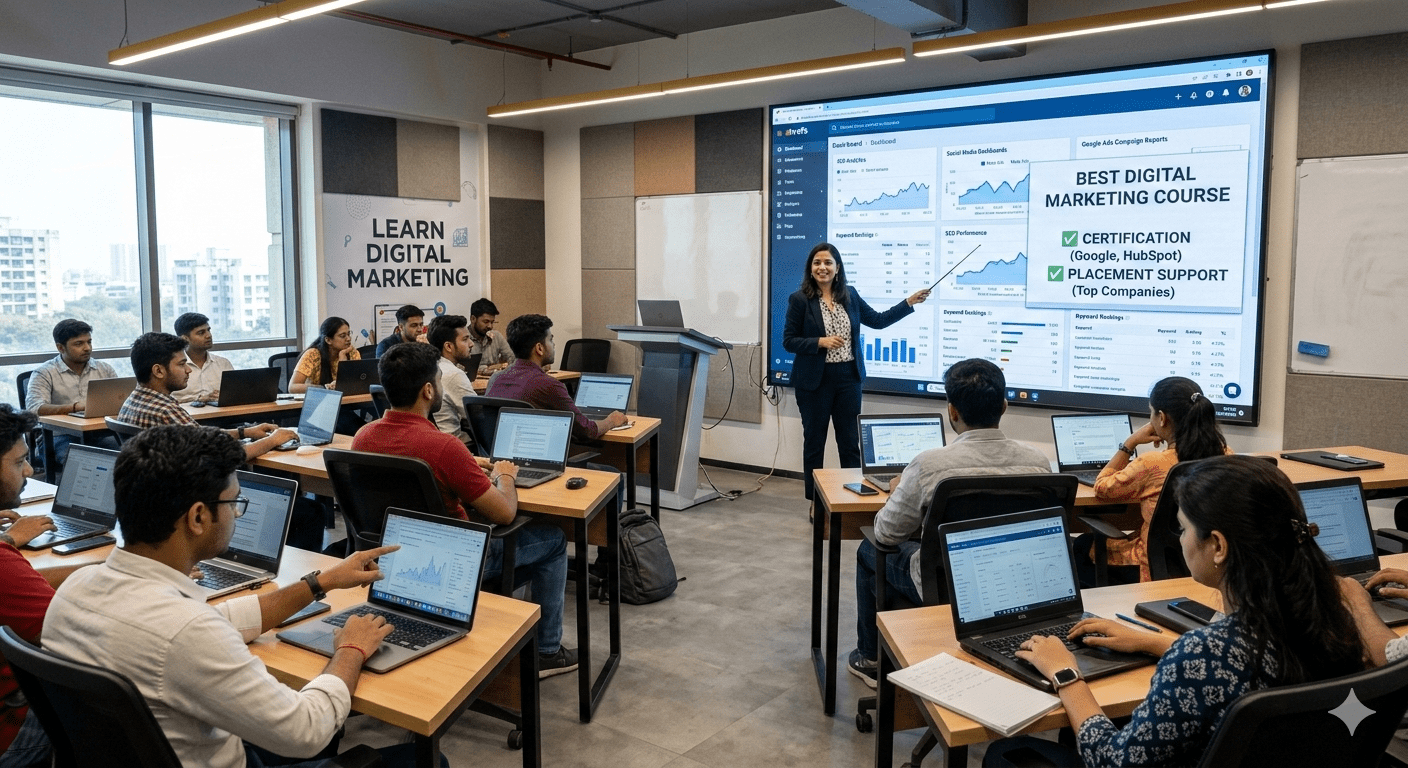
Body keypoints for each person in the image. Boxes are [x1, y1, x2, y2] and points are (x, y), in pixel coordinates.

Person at [41, 425, 437, 768]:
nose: (237, 514)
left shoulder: (75, 589)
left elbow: (220, 620)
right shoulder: (186, 632)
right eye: (235, 503)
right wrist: (350, 649)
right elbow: (306, 730)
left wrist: (320, 583)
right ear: (198, 517)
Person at [983, 455, 1367, 767]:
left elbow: (1115, 762)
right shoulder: (1335, 622)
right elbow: (1247, 669)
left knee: (1005, 754)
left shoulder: (1204, 654)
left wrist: (1065, 673)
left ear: (1218, 545)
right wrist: (1155, 644)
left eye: (1182, 529)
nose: (1180, 540)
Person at [351, 343, 579, 677]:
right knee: (554, 541)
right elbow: (504, 513)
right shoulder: (445, 447)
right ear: (428, 390)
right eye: (440, 382)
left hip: (392, 562)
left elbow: (416, 459)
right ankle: (546, 651)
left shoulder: (363, 437)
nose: (442, 388)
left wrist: (466, 464)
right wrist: (504, 475)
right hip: (452, 565)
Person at [848, 358, 1049, 687]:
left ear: (952, 411)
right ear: (1004, 406)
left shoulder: (930, 465)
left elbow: (885, 534)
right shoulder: (1038, 463)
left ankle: (870, 657)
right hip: (1016, 588)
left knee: (868, 550)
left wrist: (898, 492)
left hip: (946, 588)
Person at [782, 242, 929, 503]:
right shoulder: (799, 299)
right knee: (814, 443)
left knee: (849, 444)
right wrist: (820, 342)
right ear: (810, 268)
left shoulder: (849, 295)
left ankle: (853, 499)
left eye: (828, 262)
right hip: (814, 382)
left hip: (848, 379)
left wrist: (908, 302)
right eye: (817, 263)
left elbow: (879, 321)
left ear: (837, 268)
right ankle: (815, 503)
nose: (822, 267)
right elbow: (789, 341)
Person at [1079, 376, 1231, 585]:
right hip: (1207, 563)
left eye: (1151, 412)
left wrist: (1129, 443)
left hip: (1150, 566)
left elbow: (1103, 486)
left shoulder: (1152, 464)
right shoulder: (1227, 456)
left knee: (1082, 545)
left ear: (1162, 418)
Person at [0, 404, 64, 768]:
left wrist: (107, 568)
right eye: (18, 462)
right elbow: (73, 634)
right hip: (8, 733)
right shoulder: (2, 567)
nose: (29, 470)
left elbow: (20, 584)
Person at [488, 314, 627, 440]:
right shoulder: (548, 385)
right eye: (550, 340)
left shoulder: (495, 379)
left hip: (500, 462)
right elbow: (587, 431)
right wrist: (611, 421)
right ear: (539, 348)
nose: (553, 344)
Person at [23, 319, 119, 467]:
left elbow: (119, 401)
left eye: (89, 342)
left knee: (128, 459)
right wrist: (75, 407)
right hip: (59, 436)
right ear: (60, 348)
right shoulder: (44, 372)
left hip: (100, 432)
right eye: (79, 344)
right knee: (83, 465)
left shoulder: (104, 369)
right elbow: (34, 409)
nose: (87, 348)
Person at [426, 314, 476, 445]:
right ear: (448, 346)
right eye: (465, 339)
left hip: (437, 444)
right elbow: (479, 417)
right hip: (459, 447)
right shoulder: (453, 374)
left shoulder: (429, 366)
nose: (471, 344)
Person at [173, 312, 234, 404]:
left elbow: (234, 394)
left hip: (222, 415)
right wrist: (199, 399)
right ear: (185, 339)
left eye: (208, 330)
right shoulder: (173, 367)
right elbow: (166, 400)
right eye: (201, 333)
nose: (208, 335)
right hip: (188, 416)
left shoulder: (223, 363)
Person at [289, 317, 360, 394]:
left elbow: (358, 383)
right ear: (328, 340)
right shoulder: (313, 354)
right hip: (317, 399)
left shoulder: (352, 352)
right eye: (343, 336)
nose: (348, 339)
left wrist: (343, 364)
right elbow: (293, 387)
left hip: (347, 401)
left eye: (349, 334)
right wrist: (325, 388)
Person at [468, 298, 514, 375]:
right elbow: (462, 368)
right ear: (473, 319)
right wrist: (489, 370)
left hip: (495, 384)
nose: (490, 326)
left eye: (492, 322)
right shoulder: (462, 339)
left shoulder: (496, 336)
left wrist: (505, 366)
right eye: (486, 322)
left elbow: (512, 358)